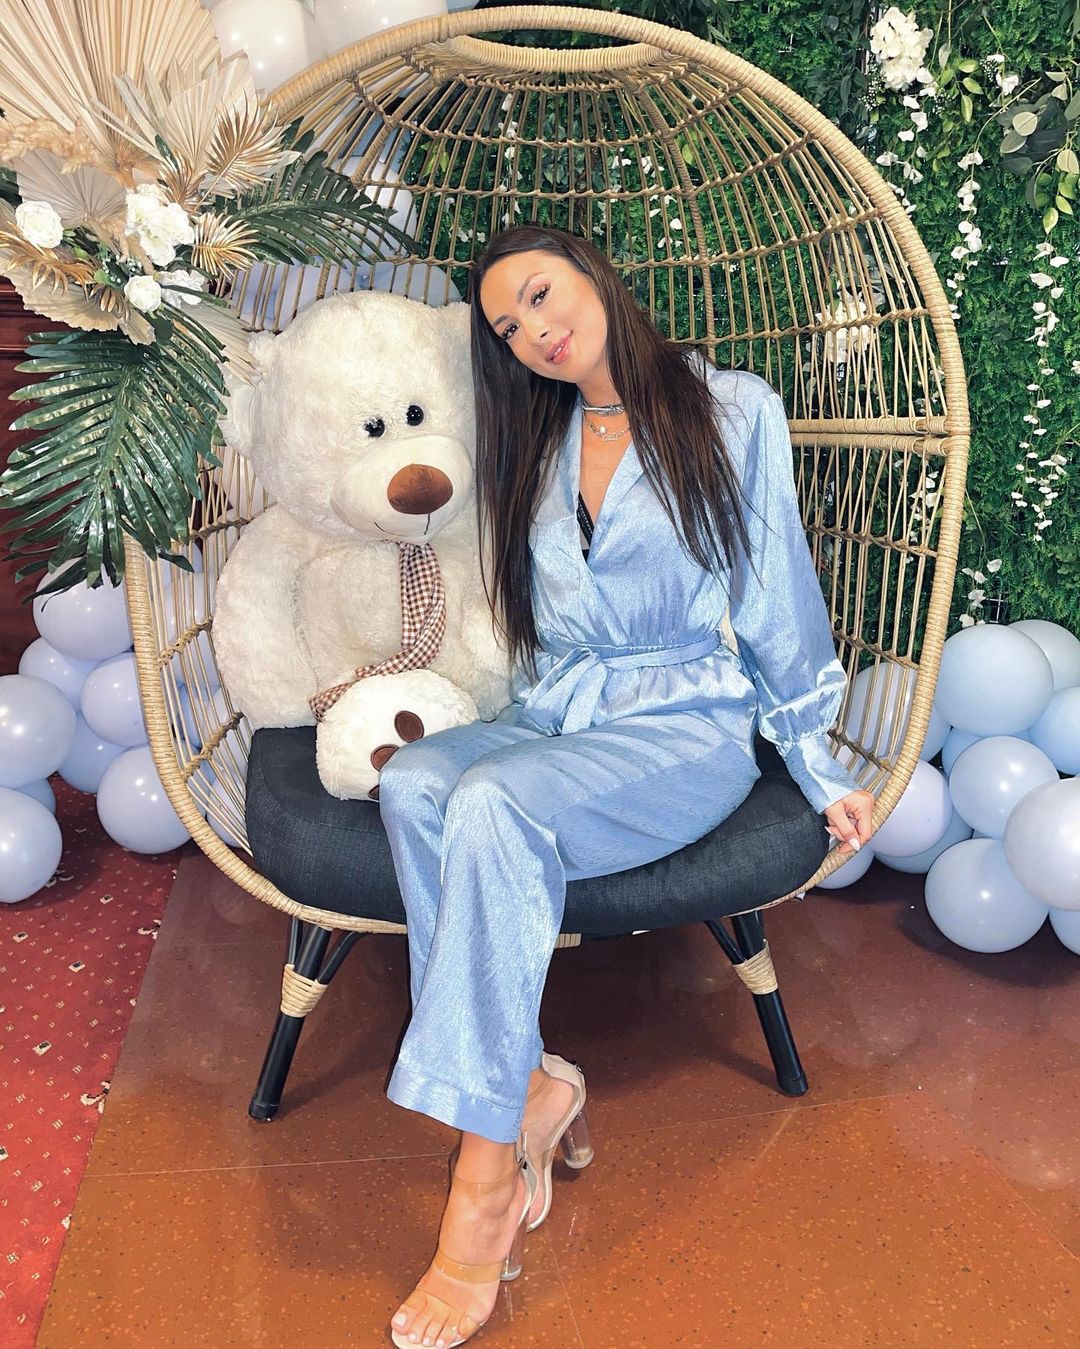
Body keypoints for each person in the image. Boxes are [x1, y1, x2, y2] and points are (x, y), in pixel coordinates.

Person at [381, 224, 875, 1348]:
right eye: (508, 326)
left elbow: (776, 591)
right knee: (415, 784)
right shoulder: (542, 439)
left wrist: (814, 758)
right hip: (566, 712)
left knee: (493, 803)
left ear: (594, 272)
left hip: (688, 722)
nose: (534, 330)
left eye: (540, 294)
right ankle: (528, 1088)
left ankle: (483, 1185)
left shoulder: (733, 409)